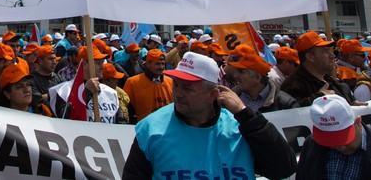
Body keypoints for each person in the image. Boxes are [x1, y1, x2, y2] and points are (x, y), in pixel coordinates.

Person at [122, 52, 297, 180]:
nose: (178, 93)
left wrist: (246, 116)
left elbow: (283, 169)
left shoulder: (240, 126)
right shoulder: (151, 129)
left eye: (188, 87)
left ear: (213, 94)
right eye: (176, 85)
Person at [296, 94, 371, 179]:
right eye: (330, 141)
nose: (340, 147)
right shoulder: (311, 145)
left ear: (357, 122)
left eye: (344, 139)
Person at [50, 45, 121, 123]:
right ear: (83, 64)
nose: (102, 67)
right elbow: (64, 117)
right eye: (98, 63)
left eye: (102, 62)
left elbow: (120, 121)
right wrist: (86, 92)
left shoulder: (111, 92)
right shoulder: (63, 91)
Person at [281, 31, 354, 105]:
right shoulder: (294, 86)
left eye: (330, 51)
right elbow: (294, 109)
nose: (332, 55)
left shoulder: (328, 79)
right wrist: (318, 98)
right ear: (310, 56)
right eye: (325, 51)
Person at [227, 46, 298, 112]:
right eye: (236, 71)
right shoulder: (229, 98)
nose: (235, 76)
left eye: (241, 72)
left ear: (258, 77)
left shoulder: (285, 104)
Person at [123, 49, 173, 123]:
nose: (161, 67)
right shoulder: (132, 83)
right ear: (148, 64)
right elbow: (126, 109)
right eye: (157, 64)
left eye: (163, 64)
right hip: (143, 127)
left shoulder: (170, 82)